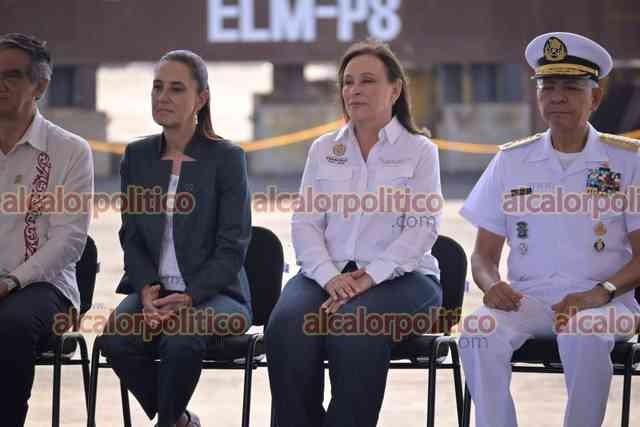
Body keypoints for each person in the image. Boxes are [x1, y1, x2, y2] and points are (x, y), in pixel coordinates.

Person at [459, 32, 640, 427]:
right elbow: (483, 256)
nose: (557, 97)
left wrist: (600, 293)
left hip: (608, 304)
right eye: (548, 87)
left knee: (583, 333)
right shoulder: (512, 161)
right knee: (476, 330)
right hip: (530, 301)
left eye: (571, 88)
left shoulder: (627, 161)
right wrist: (491, 284)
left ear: (595, 98)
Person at [265, 39, 443, 427]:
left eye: (367, 81)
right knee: (286, 325)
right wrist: (331, 278)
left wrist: (370, 277)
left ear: (395, 90)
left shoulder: (419, 151)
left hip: (404, 279)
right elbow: (305, 224)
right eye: (348, 82)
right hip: (326, 276)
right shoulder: (322, 149)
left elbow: (422, 228)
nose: (355, 90)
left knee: (355, 324)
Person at [99, 50, 252, 427]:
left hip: (216, 297)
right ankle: (179, 421)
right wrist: (147, 291)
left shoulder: (227, 158)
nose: (162, 97)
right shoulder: (137, 156)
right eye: (157, 87)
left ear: (201, 99)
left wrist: (189, 297)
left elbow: (232, 247)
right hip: (154, 293)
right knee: (115, 338)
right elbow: (131, 235)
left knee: (182, 334)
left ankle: (168, 424)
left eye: (176, 89)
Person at [0, 33, 93, 426]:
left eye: (12, 76)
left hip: (45, 289)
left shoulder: (69, 150)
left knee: (10, 325)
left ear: (40, 86)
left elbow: (69, 240)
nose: (0, 84)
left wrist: (11, 282)